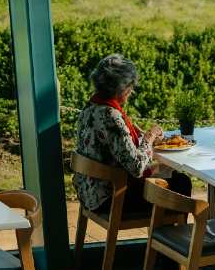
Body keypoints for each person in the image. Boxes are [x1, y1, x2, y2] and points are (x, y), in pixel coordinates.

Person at [74, 54, 192, 216]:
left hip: (89, 194)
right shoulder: (111, 115)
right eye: (130, 86)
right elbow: (136, 167)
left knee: (168, 174)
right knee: (181, 182)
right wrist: (149, 137)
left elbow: (117, 148)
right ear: (122, 88)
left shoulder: (90, 108)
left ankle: (163, 234)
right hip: (111, 199)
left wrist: (138, 137)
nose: (132, 90)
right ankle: (168, 238)